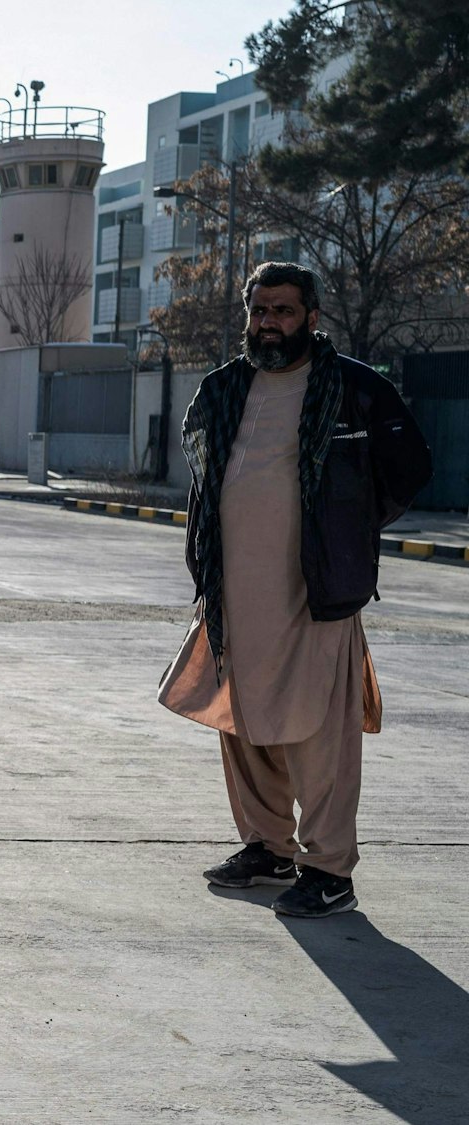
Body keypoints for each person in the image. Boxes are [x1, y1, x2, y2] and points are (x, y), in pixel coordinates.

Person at [160, 261, 431, 918]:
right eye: (259, 310)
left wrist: (345, 531)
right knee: (243, 722)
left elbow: (408, 470)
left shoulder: (353, 388)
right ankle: (268, 846)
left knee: (319, 732)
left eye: (283, 311)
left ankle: (329, 869)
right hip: (234, 592)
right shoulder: (226, 388)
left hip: (316, 591)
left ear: (312, 317)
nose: (269, 323)